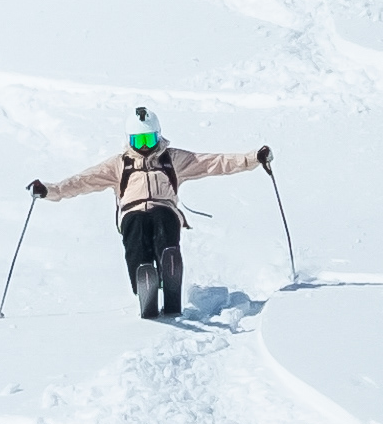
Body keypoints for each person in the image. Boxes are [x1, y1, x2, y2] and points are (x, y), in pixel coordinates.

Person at [30, 106, 272, 320]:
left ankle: (169, 269)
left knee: (163, 219)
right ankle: (144, 280)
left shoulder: (172, 159)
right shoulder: (119, 165)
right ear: (129, 140)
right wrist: (50, 190)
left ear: (158, 135)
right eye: (139, 141)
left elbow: (214, 162)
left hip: (165, 208)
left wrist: (254, 158)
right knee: (136, 230)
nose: (145, 146)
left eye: (149, 139)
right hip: (132, 212)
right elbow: (83, 181)